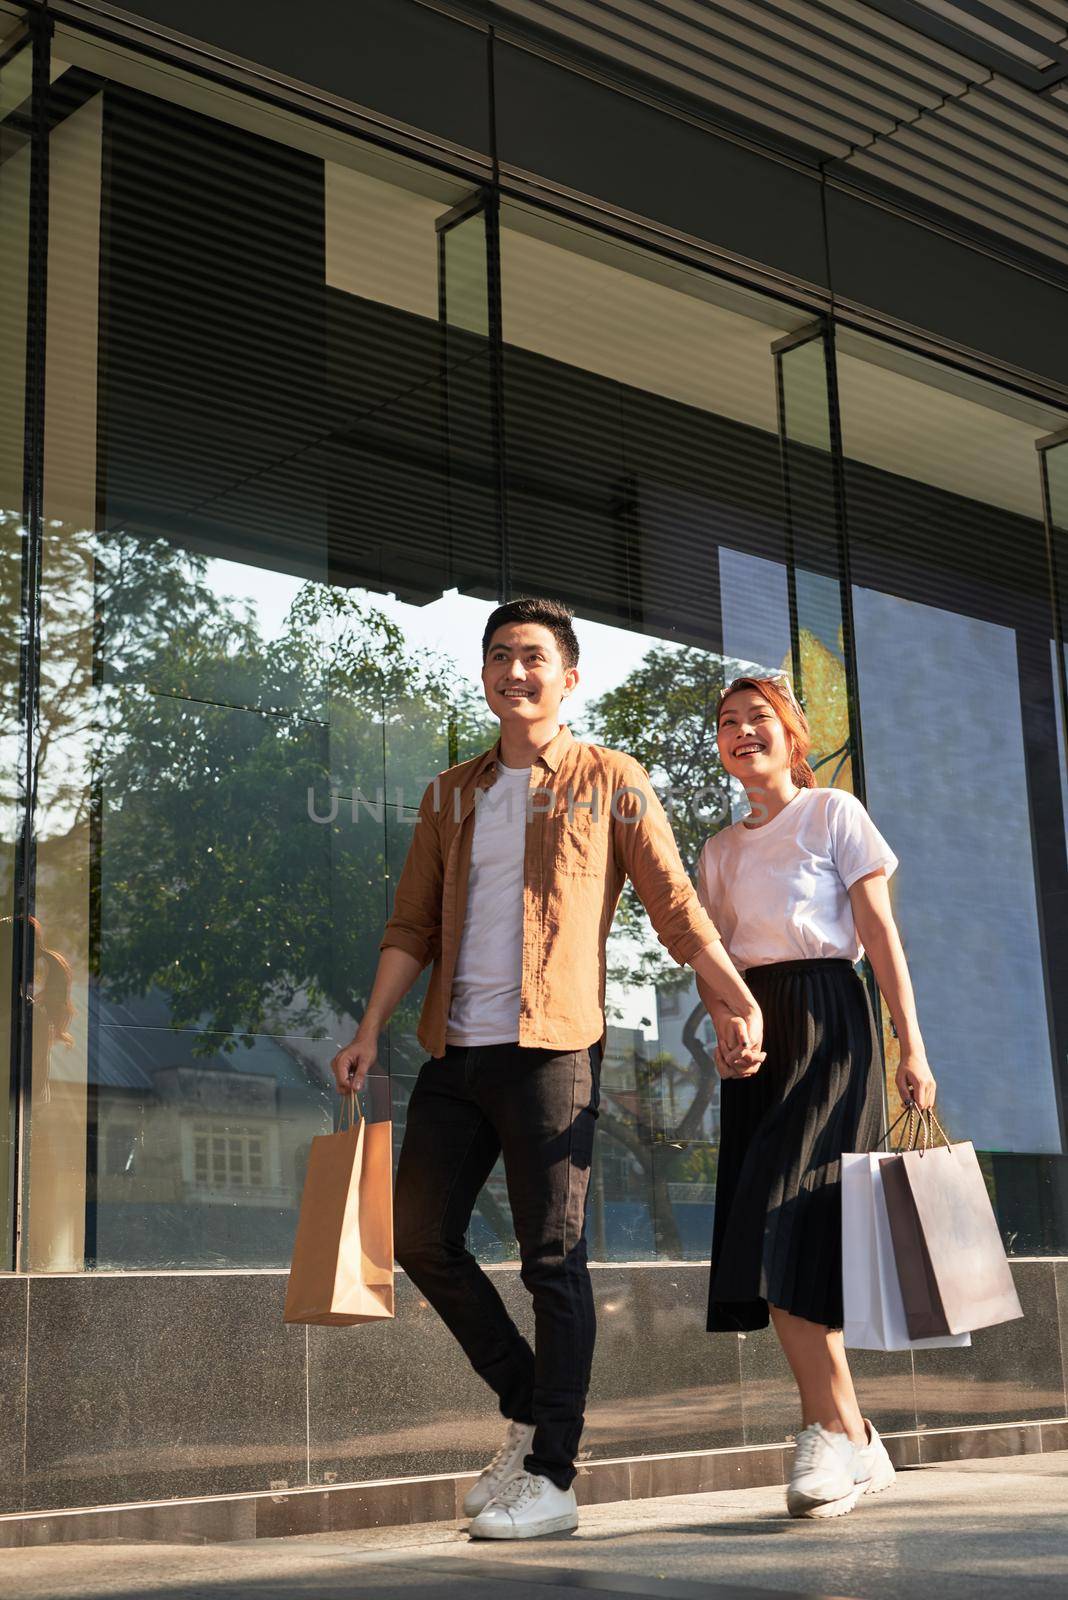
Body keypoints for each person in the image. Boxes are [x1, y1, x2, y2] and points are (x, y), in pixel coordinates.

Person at [331, 598, 764, 1540]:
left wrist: (731, 995)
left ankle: (554, 1475)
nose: (513, 672)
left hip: (554, 1047)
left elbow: (673, 902)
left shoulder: (613, 779)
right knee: (417, 1236)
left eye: (532, 658)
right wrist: (372, 1026)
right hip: (456, 1046)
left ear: (569, 676)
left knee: (552, 1259)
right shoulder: (453, 790)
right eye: (498, 657)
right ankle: (534, 1411)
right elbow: (412, 924)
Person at [695, 673, 936, 1521]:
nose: (741, 731)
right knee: (785, 1236)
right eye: (727, 722)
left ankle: (833, 1437)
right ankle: (850, 1435)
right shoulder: (719, 851)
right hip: (763, 1039)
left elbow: (878, 934)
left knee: (790, 1220)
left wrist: (913, 1043)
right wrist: (728, 1024)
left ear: (792, 733)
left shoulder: (834, 813)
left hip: (834, 1023)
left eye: (758, 717)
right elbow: (714, 959)